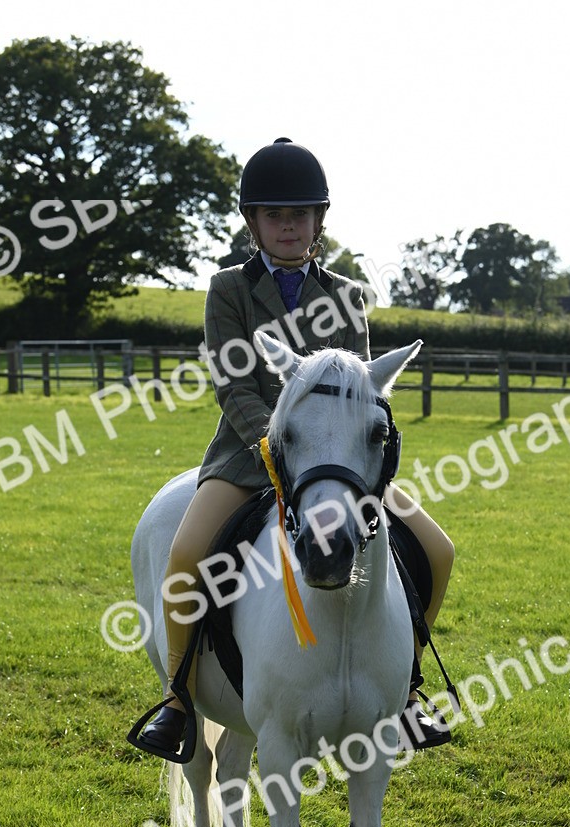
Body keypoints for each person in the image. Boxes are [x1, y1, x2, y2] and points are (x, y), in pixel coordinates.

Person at [131, 137, 454, 760]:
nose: (288, 225)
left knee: (437, 551)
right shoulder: (227, 289)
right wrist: (272, 444)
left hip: (334, 463)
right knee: (186, 557)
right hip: (246, 455)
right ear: (253, 222)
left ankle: (407, 682)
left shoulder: (347, 295)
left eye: (300, 215)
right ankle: (176, 698)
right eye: (275, 215)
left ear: (318, 222)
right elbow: (233, 380)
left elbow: (358, 385)